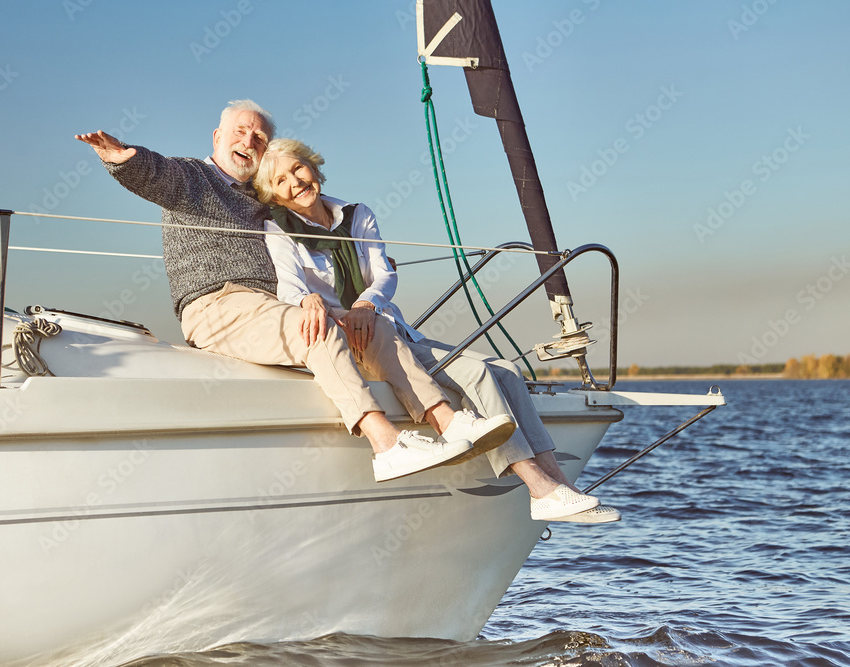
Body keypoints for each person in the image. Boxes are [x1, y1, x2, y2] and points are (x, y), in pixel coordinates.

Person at [75, 100, 516, 483]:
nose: (250, 140)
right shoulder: (194, 179)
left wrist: (368, 272)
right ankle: (388, 446)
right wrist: (124, 157)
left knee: (375, 327)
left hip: (272, 307)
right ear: (217, 136)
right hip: (218, 304)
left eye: (261, 137)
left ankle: (448, 422)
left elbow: (315, 231)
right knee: (316, 324)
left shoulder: (266, 199)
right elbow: (156, 175)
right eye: (241, 131)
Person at [254, 138, 621, 523]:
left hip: (387, 323)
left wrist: (366, 303)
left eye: (298, 168)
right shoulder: (278, 230)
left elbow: (384, 274)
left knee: (509, 371)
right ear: (275, 196)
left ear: (313, 166)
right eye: (281, 181)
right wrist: (309, 301)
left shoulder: (357, 213)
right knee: (477, 373)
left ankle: (561, 484)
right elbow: (290, 286)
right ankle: (539, 488)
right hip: (356, 340)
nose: (295, 181)